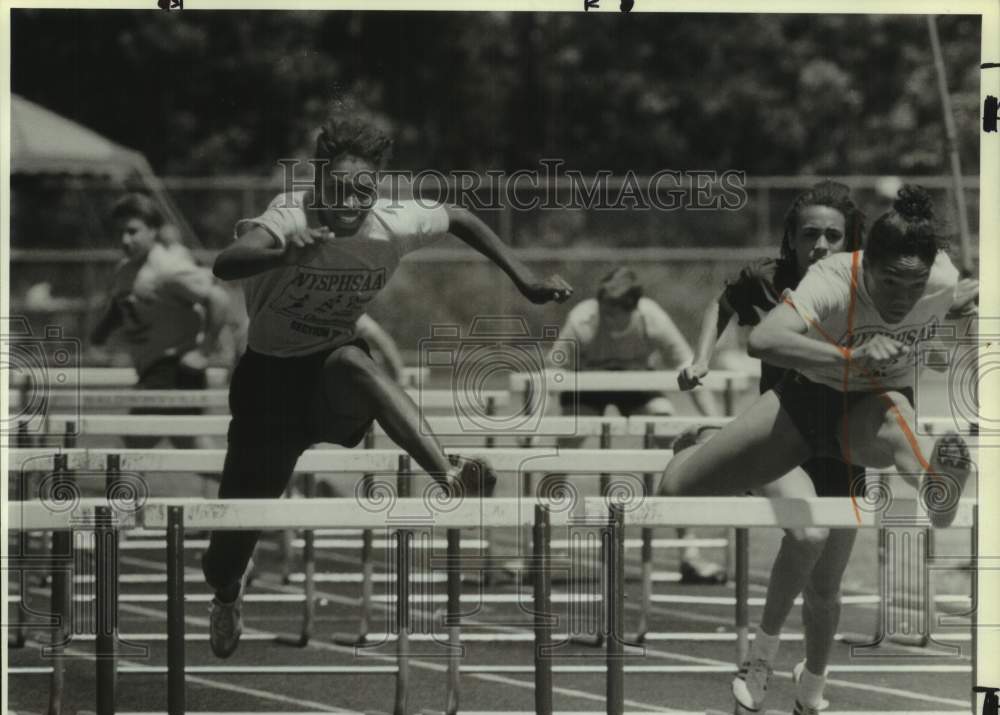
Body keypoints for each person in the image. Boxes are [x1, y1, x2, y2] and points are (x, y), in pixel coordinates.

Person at [202, 101, 573, 658]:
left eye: (364, 191)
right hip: (267, 385)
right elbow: (224, 264)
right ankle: (228, 593)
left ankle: (446, 472)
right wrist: (281, 253)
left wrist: (525, 281)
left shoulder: (392, 223)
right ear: (319, 179)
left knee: (355, 360)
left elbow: (462, 218)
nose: (352, 204)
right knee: (224, 556)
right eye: (342, 190)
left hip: (329, 375)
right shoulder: (290, 216)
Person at [659, 185, 972, 715]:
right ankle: (699, 444)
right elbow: (764, 338)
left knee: (897, 432)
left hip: (869, 409)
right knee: (678, 490)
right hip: (803, 405)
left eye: (914, 285)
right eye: (888, 284)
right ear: (865, 264)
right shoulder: (832, 277)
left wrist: (961, 302)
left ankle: (936, 484)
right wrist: (850, 357)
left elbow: (952, 289)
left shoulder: (942, 278)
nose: (902, 299)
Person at [676, 179, 865, 715]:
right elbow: (723, 302)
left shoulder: (863, 288)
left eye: (834, 235)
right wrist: (701, 357)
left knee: (827, 591)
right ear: (792, 237)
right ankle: (759, 658)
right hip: (779, 438)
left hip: (842, 447)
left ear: (850, 240)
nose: (822, 245)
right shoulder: (768, 280)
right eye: (811, 234)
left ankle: (809, 699)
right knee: (804, 535)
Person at [547, 266, 725, 584]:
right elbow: (553, 373)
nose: (608, 316)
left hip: (637, 385)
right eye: (605, 307)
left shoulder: (651, 318)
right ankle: (543, 546)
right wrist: (540, 427)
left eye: (615, 312)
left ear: (631, 308)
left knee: (672, 437)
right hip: (587, 386)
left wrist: (715, 424)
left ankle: (689, 551)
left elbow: (690, 366)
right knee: (565, 446)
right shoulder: (582, 319)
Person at [90, 193, 240, 448]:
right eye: (119, 233)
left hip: (174, 369)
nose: (124, 240)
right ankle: (266, 485)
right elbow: (121, 304)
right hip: (151, 367)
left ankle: (122, 485)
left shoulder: (168, 267)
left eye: (132, 231)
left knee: (133, 442)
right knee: (191, 449)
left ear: (153, 230)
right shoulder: (125, 270)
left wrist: (203, 352)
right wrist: (99, 337)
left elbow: (218, 298)